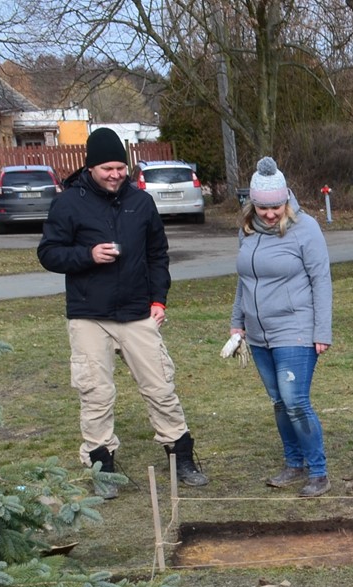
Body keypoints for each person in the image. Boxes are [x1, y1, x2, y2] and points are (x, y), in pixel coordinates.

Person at [37, 128, 206, 501]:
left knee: (160, 387)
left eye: (120, 168)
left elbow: (158, 255)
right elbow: (48, 253)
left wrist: (158, 300)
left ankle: (181, 456)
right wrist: (87, 256)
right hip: (89, 315)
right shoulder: (68, 204)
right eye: (107, 168)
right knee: (96, 394)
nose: (115, 175)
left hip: (137, 312)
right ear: (91, 166)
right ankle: (103, 467)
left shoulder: (141, 202)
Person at [223, 157, 333, 497]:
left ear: (286, 200)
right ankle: (292, 463)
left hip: (296, 329)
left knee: (295, 400)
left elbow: (321, 281)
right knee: (278, 402)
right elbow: (244, 281)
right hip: (258, 334)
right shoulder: (248, 231)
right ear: (252, 204)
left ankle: (318, 471)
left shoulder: (306, 229)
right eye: (262, 207)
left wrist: (322, 332)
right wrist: (236, 323)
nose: (269, 214)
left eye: (276, 206)